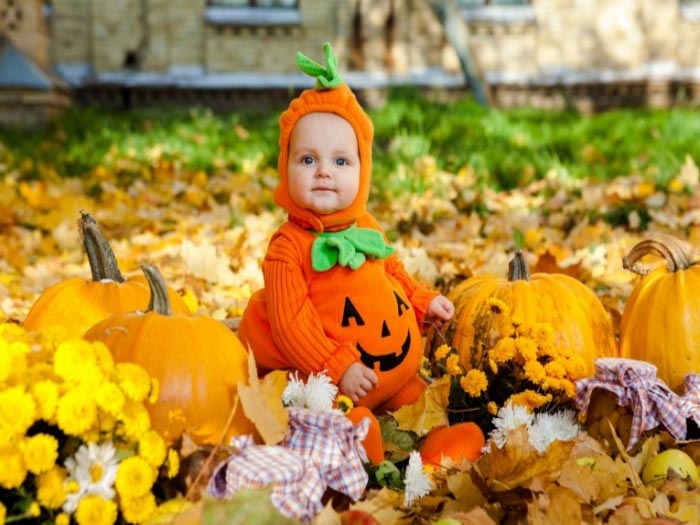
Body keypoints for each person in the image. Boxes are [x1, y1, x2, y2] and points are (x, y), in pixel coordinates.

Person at [239, 42, 453, 416]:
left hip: (395, 374)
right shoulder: (286, 249)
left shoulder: (366, 226)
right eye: (308, 159)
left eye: (340, 160)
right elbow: (292, 327)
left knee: (432, 412)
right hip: (330, 386)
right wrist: (337, 368)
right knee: (343, 423)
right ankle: (357, 451)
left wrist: (421, 302)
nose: (324, 171)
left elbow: (391, 273)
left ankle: (436, 434)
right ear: (285, 168)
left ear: (362, 170)